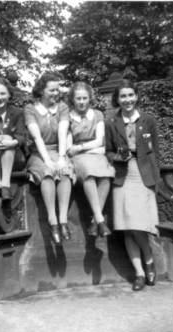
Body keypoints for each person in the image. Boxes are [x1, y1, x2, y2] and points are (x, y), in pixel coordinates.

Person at [105, 79, 161, 291]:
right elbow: (107, 151)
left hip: (143, 175)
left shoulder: (148, 120)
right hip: (122, 175)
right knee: (127, 227)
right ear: (117, 99)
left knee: (138, 224)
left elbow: (155, 151)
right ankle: (139, 273)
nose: (127, 100)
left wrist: (157, 179)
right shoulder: (111, 122)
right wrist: (118, 157)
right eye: (123, 96)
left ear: (136, 96)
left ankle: (148, 258)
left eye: (130, 95)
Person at [24, 72, 74, 245]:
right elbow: (37, 138)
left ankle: (63, 221)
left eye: (57, 90)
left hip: (57, 150)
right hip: (39, 153)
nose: (56, 93)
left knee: (65, 171)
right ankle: (53, 223)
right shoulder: (30, 109)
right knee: (47, 172)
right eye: (52, 90)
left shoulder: (62, 108)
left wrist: (61, 158)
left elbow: (62, 133)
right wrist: (48, 161)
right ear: (41, 90)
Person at [66, 82, 115, 237]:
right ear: (73, 100)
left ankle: (95, 221)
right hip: (80, 158)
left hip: (94, 154)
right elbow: (69, 147)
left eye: (84, 98)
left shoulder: (98, 114)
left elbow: (100, 140)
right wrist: (88, 148)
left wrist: (81, 147)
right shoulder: (67, 116)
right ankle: (100, 219)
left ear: (90, 99)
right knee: (88, 173)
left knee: (107, 174)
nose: (81, 102)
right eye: (78, 98)